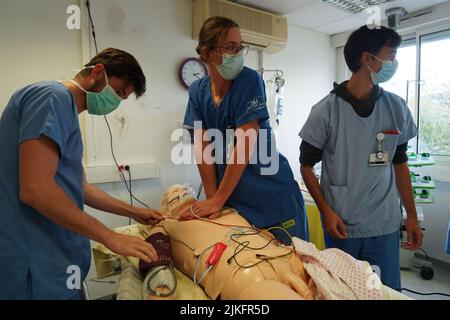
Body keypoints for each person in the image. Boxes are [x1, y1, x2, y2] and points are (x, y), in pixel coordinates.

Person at [0, 48, 163, 299]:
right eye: (118, 92)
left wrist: (135, 212)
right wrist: (109, 236)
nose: (116, 101)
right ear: (98, 72)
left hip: (56, 259)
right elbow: (35, 189)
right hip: (34, 263)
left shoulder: (66, 113)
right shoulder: (51, 98)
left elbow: (81, 187)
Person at [299, 26, 423, 289]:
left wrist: (410, 214)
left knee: (384, 291)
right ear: (367, 59)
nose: (394, 63)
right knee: (344, 290)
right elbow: (306, 166)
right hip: (342, 223)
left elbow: (400, 164)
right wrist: (325, 210)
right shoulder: (326, 111)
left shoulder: (396, 107)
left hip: (384, 222)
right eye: (390, 55)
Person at [181, 16, 308, 244]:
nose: (237, 54)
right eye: (230, 47)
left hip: (273, 199)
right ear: (208, 53)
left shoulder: (249, 80)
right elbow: (202, 146)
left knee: (293, 269)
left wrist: (218, 199)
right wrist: (212, 199)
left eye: (240, 47)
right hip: (238, 205)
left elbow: (246, 141)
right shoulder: (197, 92)